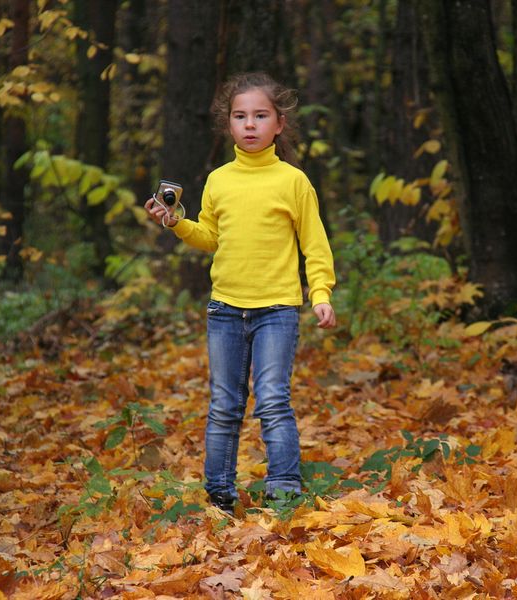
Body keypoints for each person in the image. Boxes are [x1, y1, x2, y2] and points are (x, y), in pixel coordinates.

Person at [145, 72, 336, 514]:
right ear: (229, 123)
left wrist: (320, 293)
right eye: (240, 116)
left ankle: (284, 490)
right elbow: (210, 237)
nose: (250, 124)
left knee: (272, 400)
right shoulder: (219, 180)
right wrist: (177, 224)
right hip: (225, 309)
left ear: (279, 124)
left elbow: (315, 245)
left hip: (277, 309)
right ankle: (219, 495)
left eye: (260, 115)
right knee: (224, 405)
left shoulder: (293, 181)